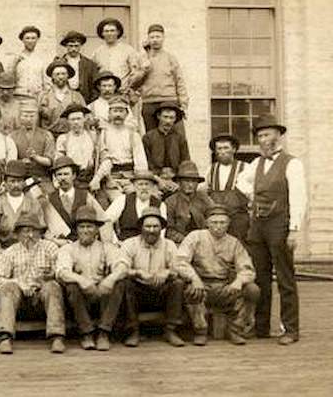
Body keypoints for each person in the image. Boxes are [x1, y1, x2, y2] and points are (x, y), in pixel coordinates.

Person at [236, 114, 306, 345]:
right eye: (260, 136)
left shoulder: (292, 163)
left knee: (285, 278)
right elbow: (240, 182)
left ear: (278, 135)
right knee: (260, 278)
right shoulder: (256, 163)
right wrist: (253, 196)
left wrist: (294, 229)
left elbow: (299, 197)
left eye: (267, 134)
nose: (263, 139)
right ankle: (261, 326)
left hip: (280, 226)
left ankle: (290, 329)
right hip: (258, 227)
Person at [176, 205, 260, 346]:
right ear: (207, 223)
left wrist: (238, 282)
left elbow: (248, 269)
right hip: (202, 284)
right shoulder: (195, 237)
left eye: (222, 223)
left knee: (252, 290)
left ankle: (235, 329)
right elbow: (180, 262)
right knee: (192, 291)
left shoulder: (234, 243)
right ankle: (200, 331)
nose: (218, 227)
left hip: (224, 286)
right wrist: (194, 279)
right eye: (214, 223)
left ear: (228, 224)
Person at [0, 213, 66, 354]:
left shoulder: (50, 248)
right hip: (18, 305)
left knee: (52, 286)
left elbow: (62, 271)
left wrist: (49, 277)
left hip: (43, 303)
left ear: (40, 232)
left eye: (34, 231)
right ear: (18, 234)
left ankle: (57, 337)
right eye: (25, 231)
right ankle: (5, 337)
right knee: (7, 287)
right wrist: (19, 283)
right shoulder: (9, 253)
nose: (30, 235)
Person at [55, 205, 125, 351]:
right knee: (72, 286)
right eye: (82, 227)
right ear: (77, 229)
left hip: (102, 296)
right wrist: (82, 280)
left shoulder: (107, 247)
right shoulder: (68, 249)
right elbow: (62, 272)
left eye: (90, 227)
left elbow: (122, 267)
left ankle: (103, 333)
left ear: (97, 229)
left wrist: (110, 279)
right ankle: (86, 333)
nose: (86, 230)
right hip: (79, 300)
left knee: (119, 283)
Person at [118, 207, 185, 347]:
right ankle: (133, 331)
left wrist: (167, 272)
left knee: (177, 283)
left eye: (156, 226)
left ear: (161, 228)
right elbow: (121, 267)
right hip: (139, 291)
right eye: (148, 226)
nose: (152, 230)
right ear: (141, 227)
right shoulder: (130, 244)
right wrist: (137, 272)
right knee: (125, 284)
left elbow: (179, 267)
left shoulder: (169, 245)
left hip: (161, 291)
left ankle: (170, 330)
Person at [39, 156, 108, 246]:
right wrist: (55, 240)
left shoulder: (85, 195)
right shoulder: (49, 199)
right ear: (55, 177)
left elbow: (103, 219)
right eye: (59, 175)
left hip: (85, 243)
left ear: (74, 175)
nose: (63, 178)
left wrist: (106, 245)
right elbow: (44, 228)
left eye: (66, 174)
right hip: (60, 246)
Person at [94, 96, 148, 204]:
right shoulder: (103, 134)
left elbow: (140, 162)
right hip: (111, 179)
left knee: (137, 202)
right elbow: (102, 160)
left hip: (130, 178)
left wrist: (136, 184)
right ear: (109, 114)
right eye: (115, 111)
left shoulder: (133, 134)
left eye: (121, 111)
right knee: (117, 202)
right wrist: (109, 180)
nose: (118, 115)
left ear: (127, 114)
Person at [139, 24, 188, 133]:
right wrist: (143, 71)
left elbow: (179, 81)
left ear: (163, 38)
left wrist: (183, 104)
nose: (155, 40)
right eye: (152, 37)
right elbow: (134, 83)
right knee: (152, 137)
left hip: (169, 100)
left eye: (158, 37)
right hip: (149, 102)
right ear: (148, 39)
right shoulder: (142, 59)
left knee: (175, 136)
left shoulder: (170, 58)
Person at [0, 160, 43, 251]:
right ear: (5, 183)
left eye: (19, 181)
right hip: (4, 249)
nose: (16, 185)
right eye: (12, 181)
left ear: (24, 182)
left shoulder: (33, 203)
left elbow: (40, 229)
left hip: (28, 249)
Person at [205, 133, 249, 242]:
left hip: (238, 219)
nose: (222, 151)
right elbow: (204, 191)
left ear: (233, 149)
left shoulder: (246, 168)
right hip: (217, 220)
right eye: (219, 148)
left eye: (226, 148)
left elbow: (252, 195)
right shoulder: (211, 169)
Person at [90, 18, 147, 101]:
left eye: (112, 31)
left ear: (118, 32)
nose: (109, 34)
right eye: (106, 31)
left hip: (122, 94)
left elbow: (136, 72)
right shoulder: (97, 52)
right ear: (102, 33)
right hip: (104, 95)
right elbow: (93, 74)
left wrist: (130, 88)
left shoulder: (128, 50)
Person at [105, 171, 167, 243]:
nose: (144, 188)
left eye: (147, 184)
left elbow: (162, 231)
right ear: (134, 186)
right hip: (126, 245)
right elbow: (106, 221)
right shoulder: (123, 200)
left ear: (153, 187)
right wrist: (115, 241)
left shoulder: (160, 205)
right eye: (140, 184)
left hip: (149, 246)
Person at [165, 161, 215, 244]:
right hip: (179, 243)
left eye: (193, 181)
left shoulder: (204, 199)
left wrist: (205, 237)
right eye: (187, 181)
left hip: (203, 241)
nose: (190, 185)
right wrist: (185, 240)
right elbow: (168, 230)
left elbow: (215, 218)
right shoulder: (171, 202)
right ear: (179, 182)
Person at [142, 101, 190, 188]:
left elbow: (185, 162)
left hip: (175, 179)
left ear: (175, 119)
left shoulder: (180, 138)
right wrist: (158, 180)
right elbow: (146, 163)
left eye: (171, 118)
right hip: (154, 179)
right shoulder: (148, 138)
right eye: (165, 117)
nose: (168, 121)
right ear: (158, 116)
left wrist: (178, 181)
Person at [10, 101, 55, 189]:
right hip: (20, 178)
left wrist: (35, 157)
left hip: (42, 178)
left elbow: (49, 161)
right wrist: (20, 162)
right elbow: (10, 162)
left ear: (37, 117)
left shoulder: (46, 135)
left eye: (32, 116)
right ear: (20, 117)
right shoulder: (12, 136)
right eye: (25, 116)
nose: (29, 119)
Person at [54, 103, 98, 185]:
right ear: (67, 121)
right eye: (72, 119)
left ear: (84, 119)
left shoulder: (93, 136)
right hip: (71, 179)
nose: (76, 122)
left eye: (79, 119)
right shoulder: (63, 139)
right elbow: (58, 162)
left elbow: (99, 157)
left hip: (90, 177)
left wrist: (97, 179)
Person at [38, 58, 86, 133]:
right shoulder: (44, 96)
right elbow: (37, 119)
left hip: (71, 136)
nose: (60, 77)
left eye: (63, 74)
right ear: (52, 76)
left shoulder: (77, 96)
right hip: (49, 136)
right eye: (57, 74)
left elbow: (85, 118)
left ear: (68, 76)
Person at [58, 30, 99, 103]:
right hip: (63, 98)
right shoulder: (59, 63)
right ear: (66, 46)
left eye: (76, 46)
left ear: (81, 46)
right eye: (70, 46)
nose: (73, 49)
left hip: (84, 99)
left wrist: (90, 103)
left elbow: (95, 87)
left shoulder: (90, 64)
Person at [8, 25, 48, 100]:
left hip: (37, 97)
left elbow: (46, 81)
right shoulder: (15, 58)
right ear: (22, 40)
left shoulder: (42, 59)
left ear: (37, 39)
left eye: (33, 38)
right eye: (27, 38)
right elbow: (9, 78)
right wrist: (14, 63)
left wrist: (45, 96)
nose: (30, 41)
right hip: (19, 96)